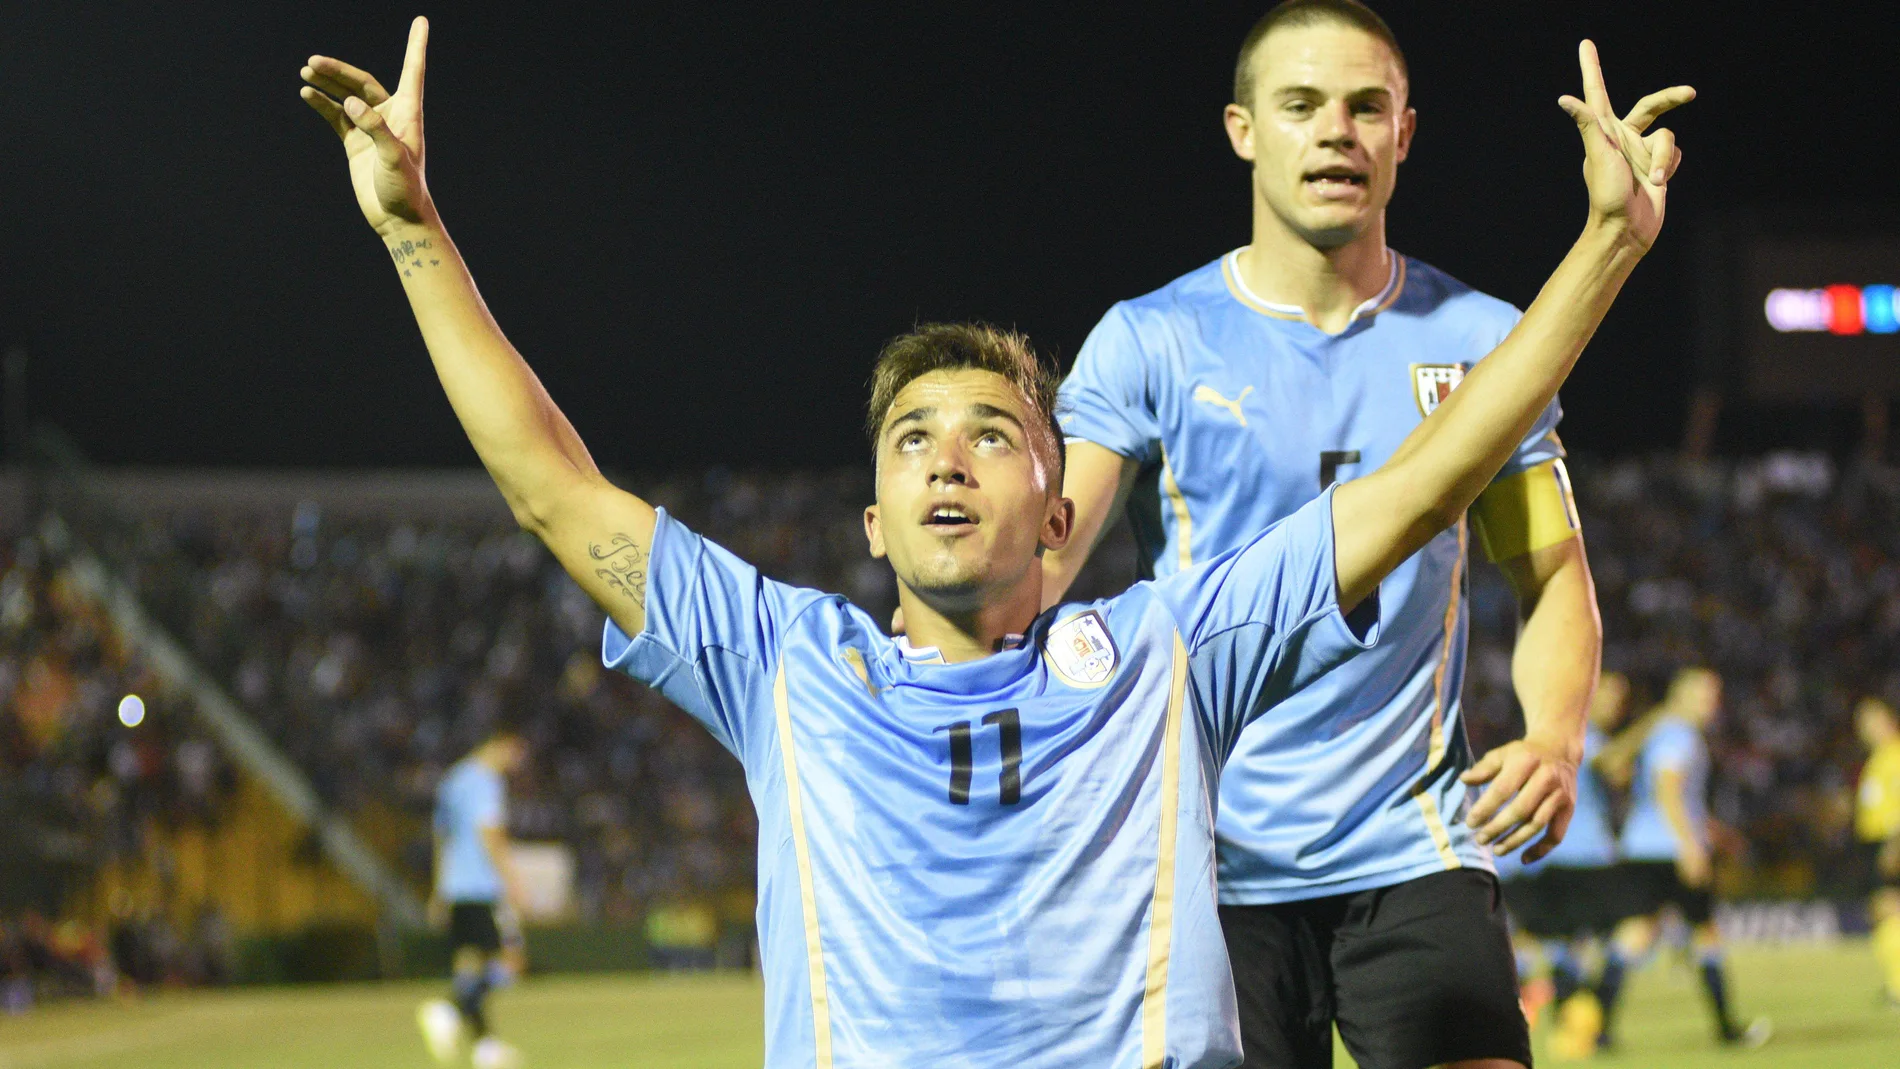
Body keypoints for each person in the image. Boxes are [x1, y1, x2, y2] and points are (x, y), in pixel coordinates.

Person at [299, 18, 1685, 1066]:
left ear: (1065, 508)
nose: (947, 457)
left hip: (1388, 853)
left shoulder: (1166, 654)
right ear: (872, 519)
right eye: (911, 439)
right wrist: (414, 229)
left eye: (989, 434)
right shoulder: (788, 660)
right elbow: (552, 489)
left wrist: (1609, 249)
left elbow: (1435, 476)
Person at [1048, 3, 1616, 1065]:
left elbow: (1549, 578)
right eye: (1300, 105)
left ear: (1404, 133)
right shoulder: (1149, 342)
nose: (1337, 132)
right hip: (1206, 856)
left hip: (1418, 845)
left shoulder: (1482, 342)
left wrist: (1552, 733)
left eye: (1367, 107)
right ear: (1242, 129)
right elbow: (1041, 570)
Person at [1595, 668, 1768, 1050]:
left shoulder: (1664, 732)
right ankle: (1726, 1029)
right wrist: (1690, 845)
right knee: (1705, 934)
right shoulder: (1679, 734)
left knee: (1636, 935)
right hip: (1668, 851)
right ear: (1683, 696)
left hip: (1642, 848)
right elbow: (1668, 791)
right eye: (1706, 695)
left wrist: (1714, 832)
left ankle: (1597, 1028)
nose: (1713, 704)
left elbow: (1673, 798)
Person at [1501, 672, 1629, 1057]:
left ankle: (1564, 1025)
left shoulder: (1545, 733)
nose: (1616, 705)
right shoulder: (1584, 735)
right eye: (1609, 694)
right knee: (1618, 937)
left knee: (1561, 945)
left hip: (1544, 859)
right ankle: (1587, 1026)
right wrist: (1653, 722)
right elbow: (1616, 769)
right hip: (1582, 861)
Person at [417, 726, 530, 1069]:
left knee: (469, 967)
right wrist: (512, 880)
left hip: (456, 887)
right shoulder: (485, 781)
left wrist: (439, 889)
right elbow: (490, 833)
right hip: (482, 887)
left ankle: (486, 1048)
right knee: (511, 963)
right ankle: (448, 1010)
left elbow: (442, 837)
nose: (518, 761)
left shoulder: (453, 780)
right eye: (517, 752)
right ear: (501, 744)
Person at [1852, 696, 1900, 1007]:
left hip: (1889, 842)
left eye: (1872, 721)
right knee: (1882, 912)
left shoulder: (1895, 755)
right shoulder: (1879, 758)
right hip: (1875, 843)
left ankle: (1898, 986)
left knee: (1888, 910)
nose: (1866, 728)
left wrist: (1894, 845)